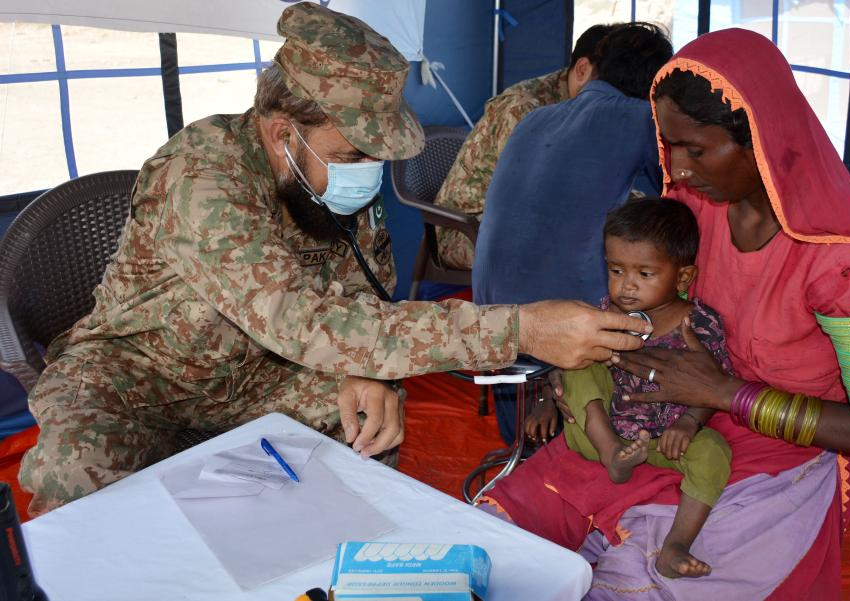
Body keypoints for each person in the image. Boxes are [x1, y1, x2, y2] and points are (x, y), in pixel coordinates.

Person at [17, 4, 652, 517]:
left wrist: (367, 373)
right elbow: (299, 319)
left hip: (257, 374)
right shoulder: (204, 175)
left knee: (367, 418)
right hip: (137, 380)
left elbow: (362, 298)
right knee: (74, 475)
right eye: (351, 155)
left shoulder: (330, 181)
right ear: (282, 133)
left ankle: (327, 568)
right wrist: (521, 328)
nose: (366, 174)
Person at [480, 28, 850, 600]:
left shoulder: (840, 266)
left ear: (758, 140)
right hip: (654, 415)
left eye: (695, 149)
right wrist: (567, 371)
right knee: (500, 534)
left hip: (766, 456)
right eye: (669, 146)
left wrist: (725, 394)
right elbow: (635, 298)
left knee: (641, 577)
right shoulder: (694, 212)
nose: (679, 169)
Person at [473, 22, 672, 445]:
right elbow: (678, 199)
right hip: (563, 328)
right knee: (669, 293)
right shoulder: (641, 119)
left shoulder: (534, 117)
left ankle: (524, 452)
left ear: (596, 67)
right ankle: (617, 441)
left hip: (488, 323)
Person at [526, 198, 733, 578]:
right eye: (616, 270)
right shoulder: (607, 313)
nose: (627, 285)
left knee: (714, 451)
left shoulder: (699, 325)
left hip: (666, 444)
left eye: (645, 273)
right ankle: (611, 453)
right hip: (595, 432)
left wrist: (689, 424)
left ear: (683, 278)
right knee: (581, 359)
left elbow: (715, 387)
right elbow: (566, 371)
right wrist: (547, 401)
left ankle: (676, 545)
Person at [433, 23, 614, 271]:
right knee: (581, 247)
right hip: (466, 230)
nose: (615, 104)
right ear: (582, 69)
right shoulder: (524, 109)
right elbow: (535, 199)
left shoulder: (584, 106)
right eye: (610, 91)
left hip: (515, 224)